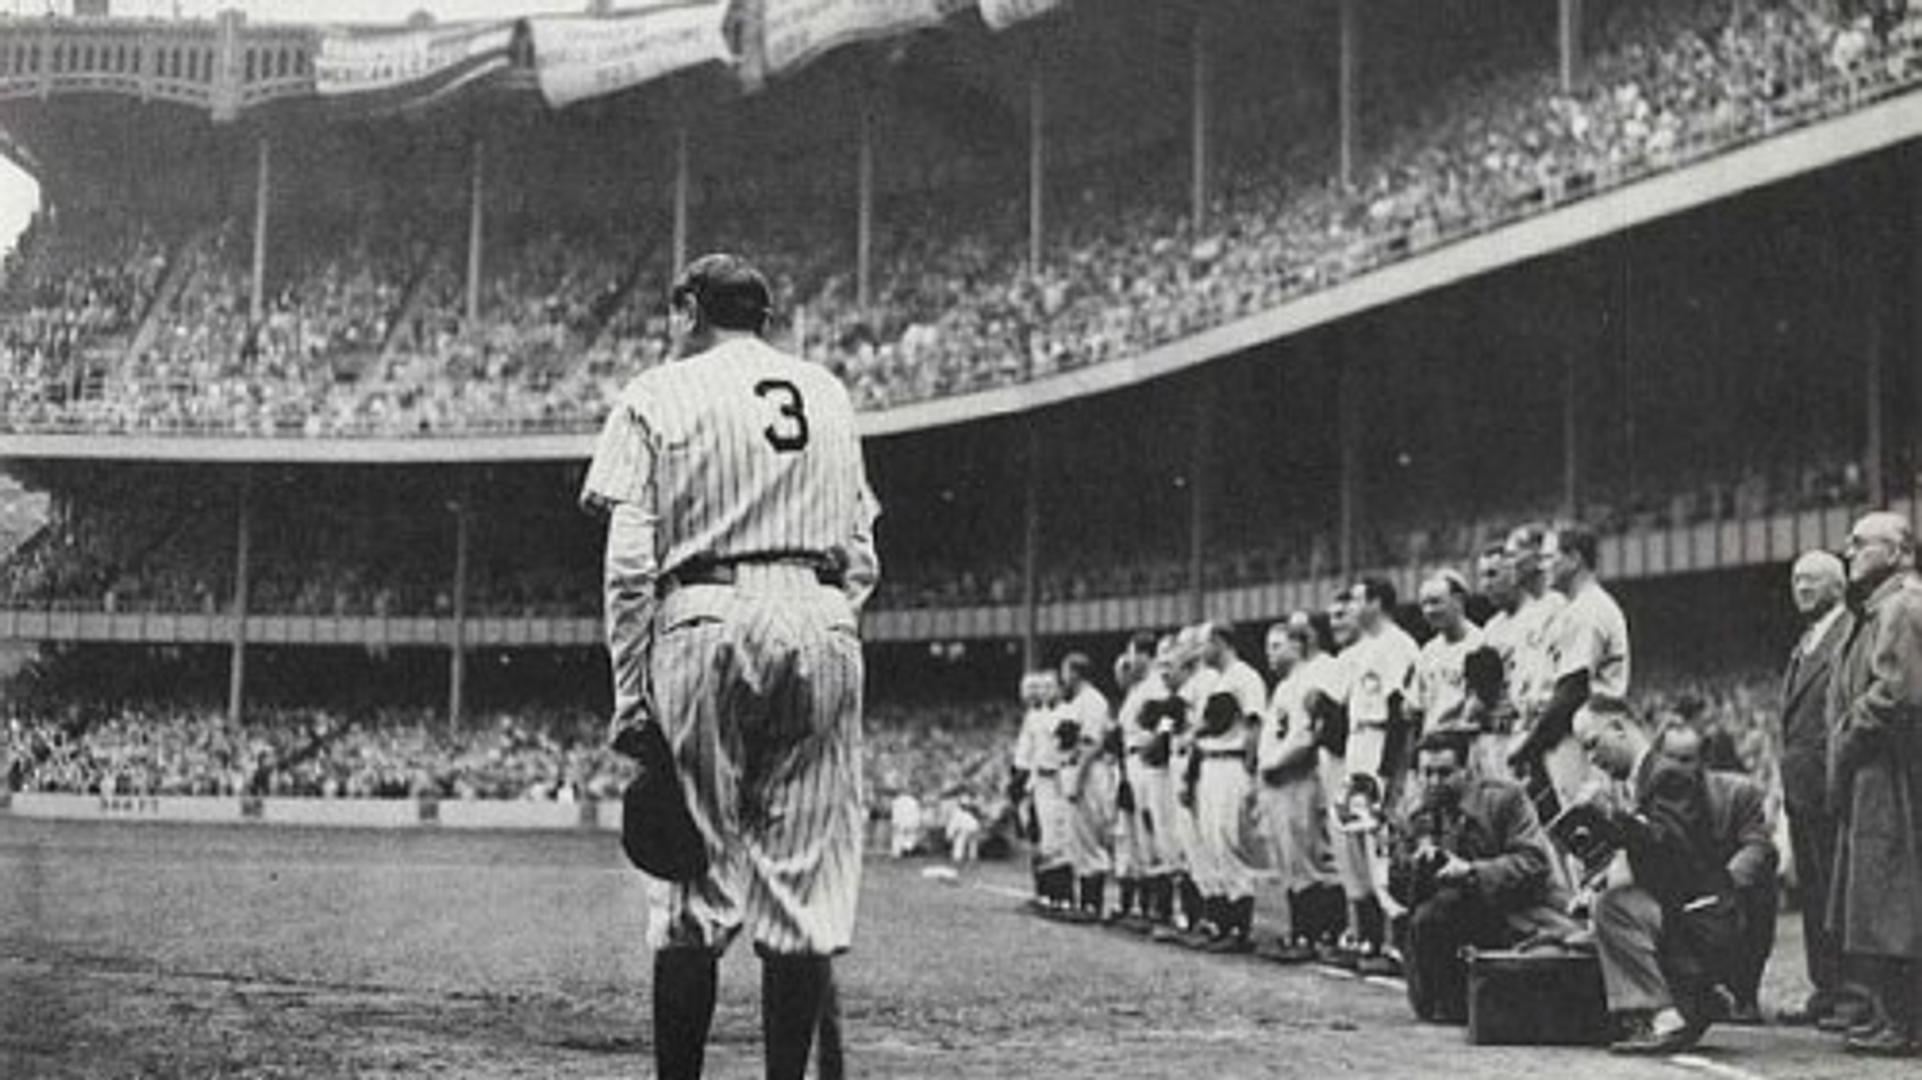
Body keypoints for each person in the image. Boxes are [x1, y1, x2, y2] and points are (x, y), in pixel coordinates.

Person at [581, 253, 880, 1080]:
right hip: (821, 613)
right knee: (803, 894)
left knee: (692, 890)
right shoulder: (827, 391)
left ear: (687, 309)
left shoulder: (656, 390)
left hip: (703, 611)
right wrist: (819, 623)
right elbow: (861, 553)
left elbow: (630, 561)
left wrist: (630, 694)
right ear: (764, 314)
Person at [1572, 700, 1754, 1055]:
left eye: (1593, 743)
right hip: (1689, 914)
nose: (1592, 758)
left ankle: (1665, 1013)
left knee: (1613, 908)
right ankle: (1693, 998)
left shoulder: (1667, 775)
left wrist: (1610, 816)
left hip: (1701, 919)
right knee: (1600, 905)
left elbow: (1670, 848)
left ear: (1619, 727)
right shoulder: (1642, 779)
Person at [1389, 730, 1575, 1024]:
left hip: (1515, 911)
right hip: (1449, 917)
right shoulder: (1415, 812)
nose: (1434, 782)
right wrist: (1414, 867)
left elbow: (1533, 861)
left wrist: (1472, 871)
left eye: (1444, 773)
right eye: (1426, 773)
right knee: (1427, 1003)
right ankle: (1451, 999)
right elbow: (1399, 890)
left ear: (1466, 769)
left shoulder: (1505, 799)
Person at [1825, 511, 1922, 1057]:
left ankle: (1904, 1021)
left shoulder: (1902, 607)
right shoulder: (1882, 609)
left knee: (1892, 896)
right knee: (1882, 894)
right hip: (1877, 769)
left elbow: (1896, 694)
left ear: (1899, 550)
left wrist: (1848, 729)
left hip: (1891, 769)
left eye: (1862, 542)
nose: (1849, 548)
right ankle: (1894, 1014)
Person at [1776, 549, 1855, 1028]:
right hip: (1801, 786)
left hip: (1829, 785)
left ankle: (1850, 992)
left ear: (1837, 585)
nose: (1801, 587)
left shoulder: (1847, 635)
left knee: (1835, 891)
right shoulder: (1806, 640)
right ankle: (1826, 988)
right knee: (1814, 891)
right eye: (1796, 579)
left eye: (1811, 580)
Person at [1656, 725, 1779, 1026]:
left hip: (1727, 889)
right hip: (1679, 891)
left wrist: (1727, 883)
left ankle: (1744, 993)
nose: (1677, 768)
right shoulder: (1649, 795)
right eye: (1669, 758)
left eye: (1686, 759)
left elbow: (1757, 844)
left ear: (1702, 761)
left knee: (1763, 881)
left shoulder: (1739, 792)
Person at [1255, 614, 1346, 962]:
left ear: (1300, 643)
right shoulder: (1285, 684)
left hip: (1301, 776)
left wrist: (1277, 763)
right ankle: (1301, 932)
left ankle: (1323, 934)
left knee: (1312, 857)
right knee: (1290, 860)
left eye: (1279, 645)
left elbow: (1309, 733)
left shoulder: (1320, 671)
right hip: (1279, 780)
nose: (1271, 654)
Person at [1060, 651, 1118, 920]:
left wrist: (1077, 780)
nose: (1063, 677)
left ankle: (1094, 904)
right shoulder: (1077, 702)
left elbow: (1092, 744)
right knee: (1078, 839)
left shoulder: (1093, 701)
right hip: (1078, 768)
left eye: (1065, 672)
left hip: (1091, 773)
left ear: (1075, 673)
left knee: (1090, 838)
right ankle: (1086, 903)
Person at [1412, 569, 1484, 738]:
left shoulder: (1481, 644)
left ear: (1458, 601)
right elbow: (1418, 709)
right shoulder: (1428, 652)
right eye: (1424, 604)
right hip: (1432, 749)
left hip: (1468, 747)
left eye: (1436, 602)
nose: (1429, 610)